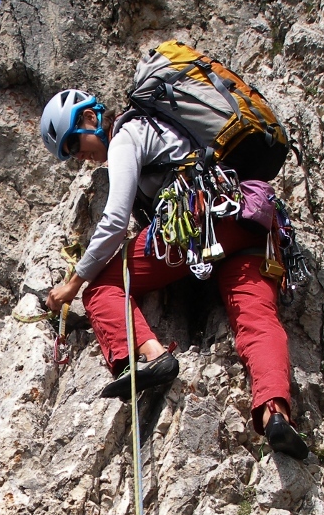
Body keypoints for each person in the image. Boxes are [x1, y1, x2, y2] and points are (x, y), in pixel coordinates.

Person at [39, 89, 309, 460]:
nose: (77, 155)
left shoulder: (126, 135)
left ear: (90, 117)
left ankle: (151, 356)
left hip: (196, 222)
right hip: (249, 220)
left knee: (101, 285)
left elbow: (115, 221)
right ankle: (274, 413)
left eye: (73, 141)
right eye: (69, 154)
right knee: (257, 318)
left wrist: (73, 282)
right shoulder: (161, 129)